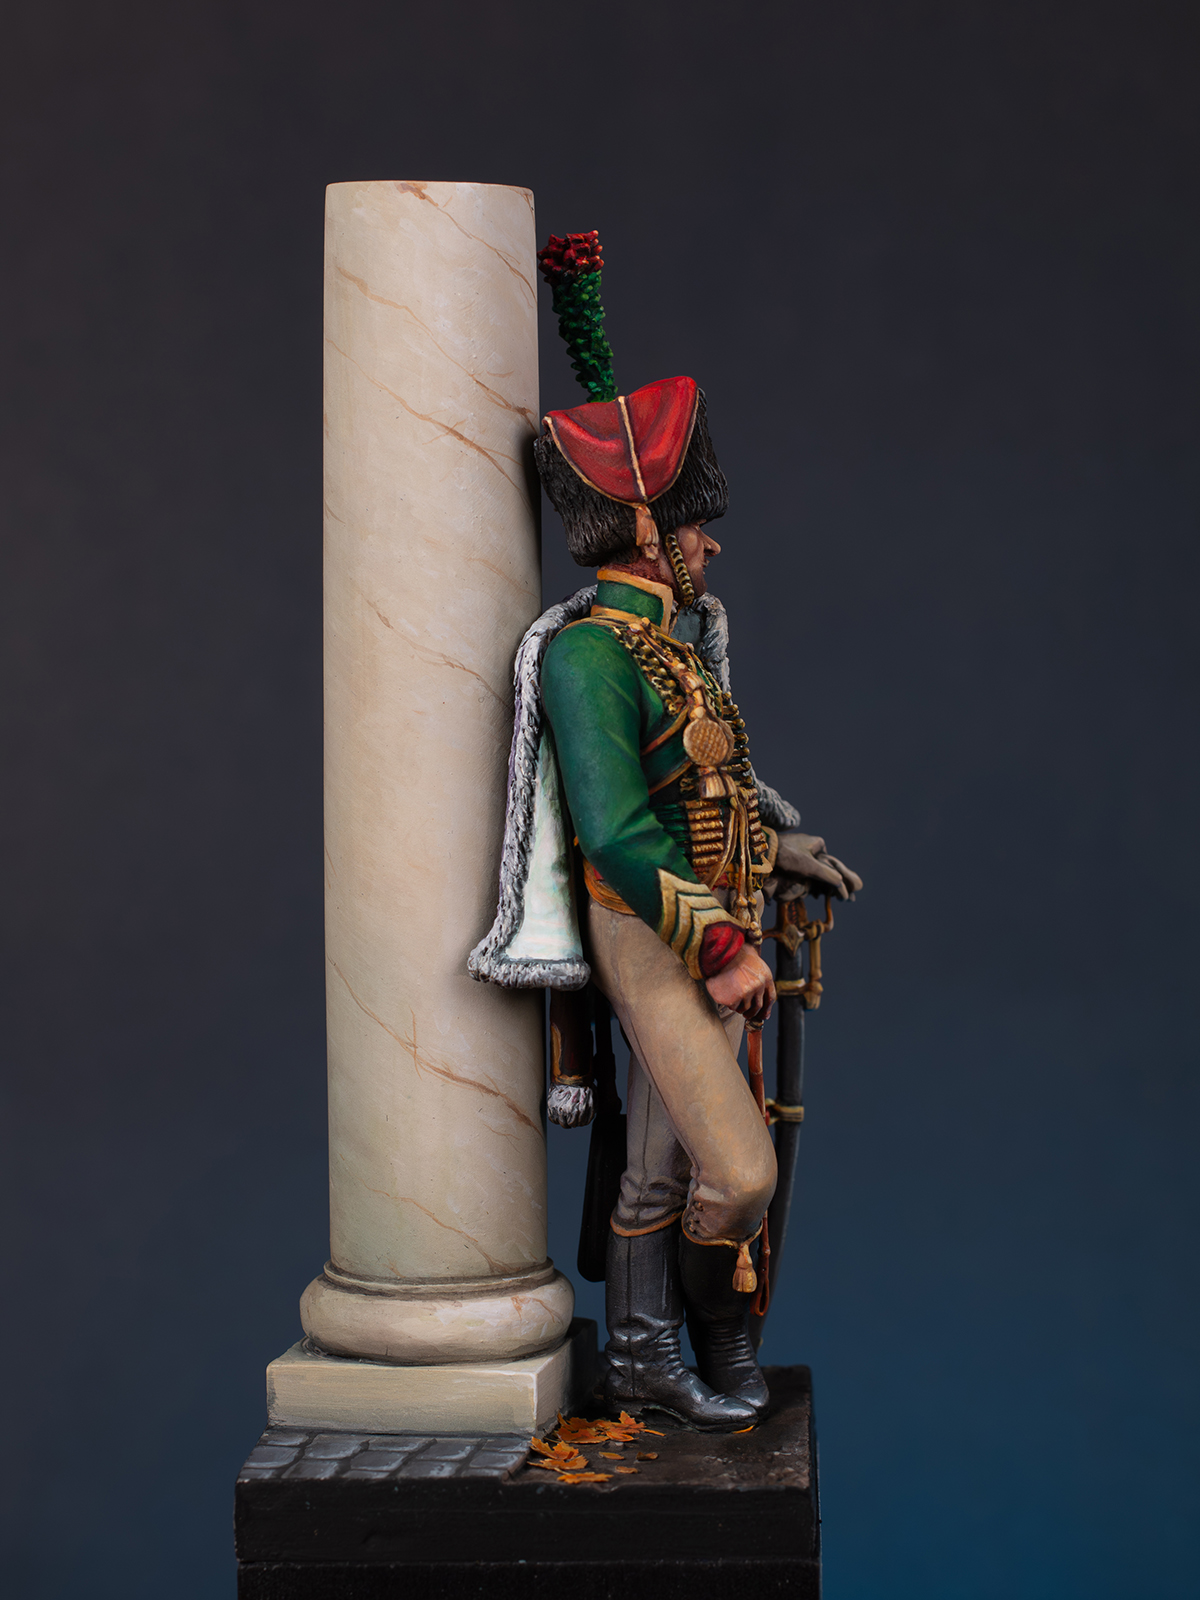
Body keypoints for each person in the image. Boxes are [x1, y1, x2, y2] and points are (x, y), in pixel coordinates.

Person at [470, 235, 861, 1430]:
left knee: (662, 1162)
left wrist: (776, 851)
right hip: (653, 929)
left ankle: (668, 1353)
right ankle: (698, 1332)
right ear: (647, 528)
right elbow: (619, 832)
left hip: (709, 914)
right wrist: (724, 946)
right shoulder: (592, 656)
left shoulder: (673, 646)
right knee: (738, 1171)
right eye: (693, 528)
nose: (710, 544)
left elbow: (708, 794)